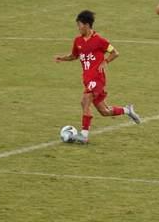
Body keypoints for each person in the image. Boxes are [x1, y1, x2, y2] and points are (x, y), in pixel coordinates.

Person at [54, 10, 141, 144]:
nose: (78, 28)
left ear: (87, 25)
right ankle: (127, 110)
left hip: (97, 78)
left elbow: (115, 52)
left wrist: (105, 61)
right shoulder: (78, 41)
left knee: (85, 101)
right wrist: (62, 58)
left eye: (79, 25)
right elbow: (74, 56)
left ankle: (84, 135)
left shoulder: (99, 40)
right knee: (104, 111)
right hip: (87, 79)